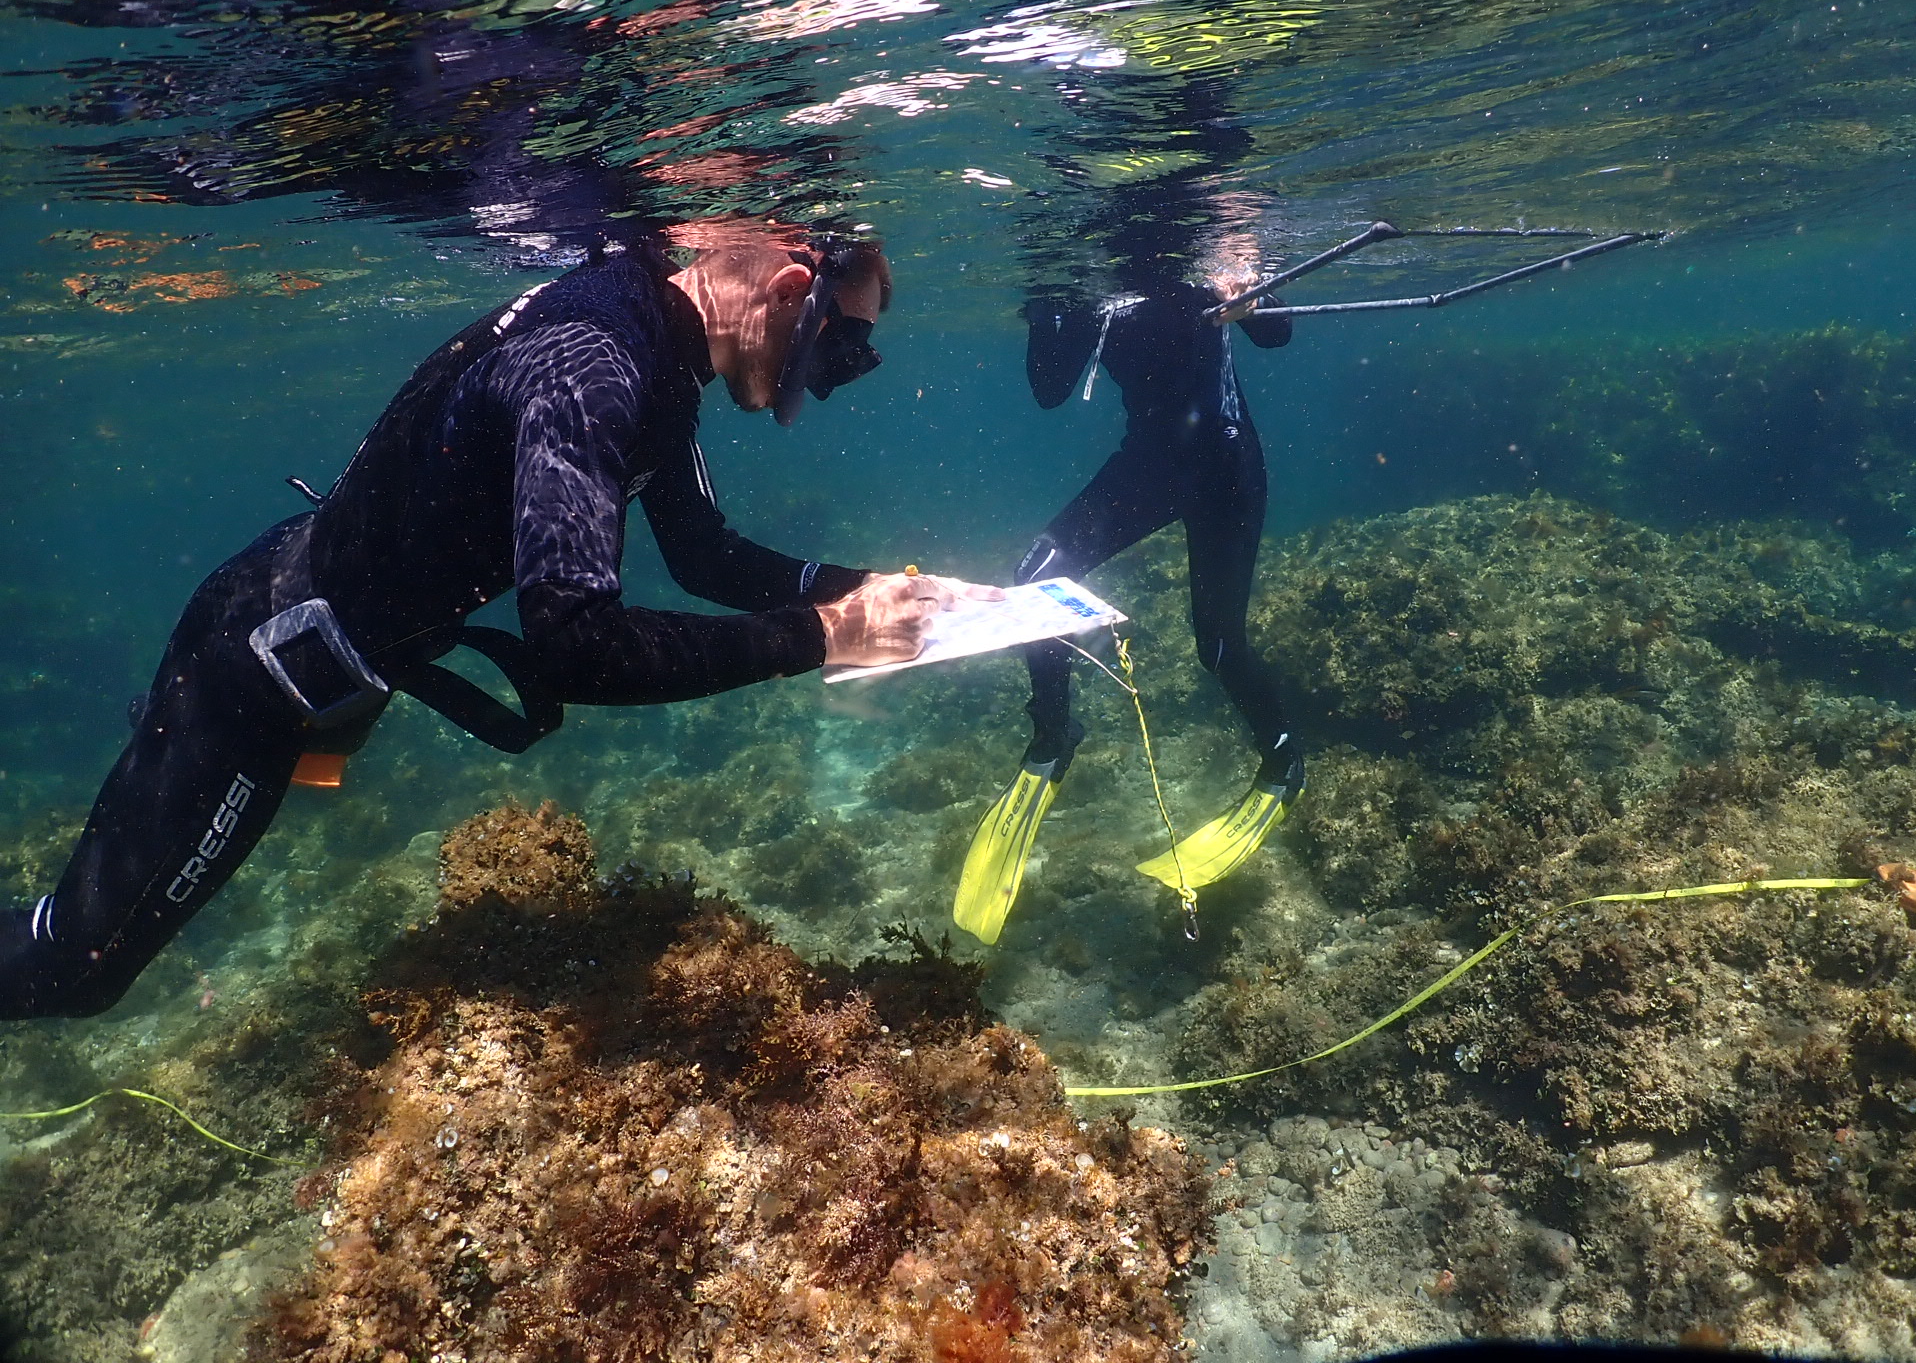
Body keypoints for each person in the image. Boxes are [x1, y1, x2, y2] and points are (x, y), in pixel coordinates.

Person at [2, 224, 994, 1020]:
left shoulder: (658, 352)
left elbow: (707, 557)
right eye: (844, 345)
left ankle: (163, 737)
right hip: (256, 679)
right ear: (786, 288)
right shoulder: (594, 366)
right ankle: (171, 733)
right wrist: (825, 636)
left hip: (324, 657)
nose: (833, 376)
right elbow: (576, 643)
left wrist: (892, 595)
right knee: (73, 968)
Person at [953, 267, 1302, 945]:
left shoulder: (1202, 247)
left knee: (1219, 645)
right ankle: (1053, 739)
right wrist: (1055, 306)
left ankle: (1285, 762)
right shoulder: (1084, 262)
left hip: (1227, 466)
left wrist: (1250, 291)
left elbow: (1279, 333)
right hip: (1150, 462)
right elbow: (1051, 389)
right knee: (1035, 581)